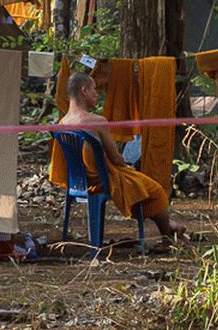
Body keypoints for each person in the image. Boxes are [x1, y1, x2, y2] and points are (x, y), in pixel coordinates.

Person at [60, 72, 186, 240]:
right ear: (84, 91)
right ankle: (168, 234)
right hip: (102, 179)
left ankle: (169, 225)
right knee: (155, 190)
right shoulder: (96, 121)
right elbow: (116, 159)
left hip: (78, 181)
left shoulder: (62, 124)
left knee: (142, 187)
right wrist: (126, 165)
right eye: (94, 90)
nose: (96, 94)